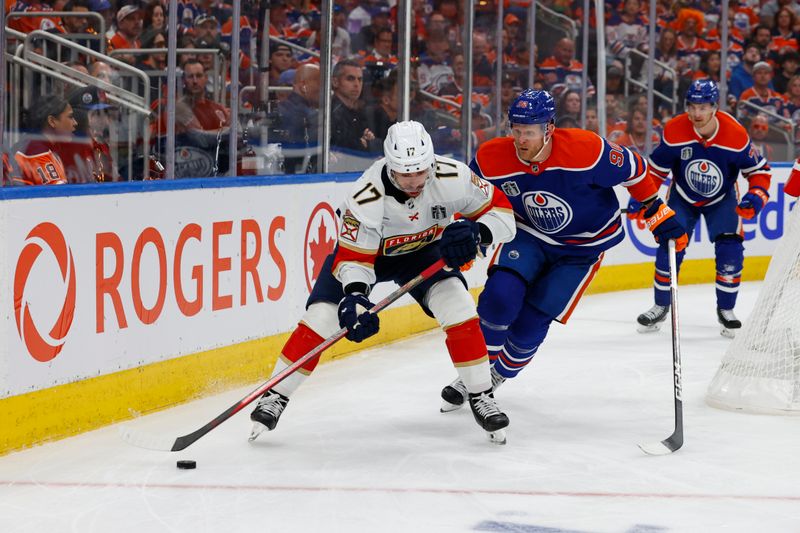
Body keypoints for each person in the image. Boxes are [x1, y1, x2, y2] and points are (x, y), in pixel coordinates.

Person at [249, 121, 517, 443]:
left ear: (431, 162)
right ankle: (275, 395)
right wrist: (356, 296)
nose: (415, 181)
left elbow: (503, 213)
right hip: (369, 256)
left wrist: (480, 232)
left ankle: (480, 395)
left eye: (420, 171)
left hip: (425, 252)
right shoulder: (365, 197)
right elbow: (354, 260)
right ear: (389, 165)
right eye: (405, 174)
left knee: (457, 302)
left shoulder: (453, 176)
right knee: (321, 318)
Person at [437, 89, 686, 410]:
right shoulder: (491, 157)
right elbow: (472, 195)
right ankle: (476, 378)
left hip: (582, 247)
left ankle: (497, 375)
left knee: (531, 322)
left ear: (549, 128)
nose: (520, 139)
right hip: (526, 234)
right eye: (515, 130)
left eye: (528, 132)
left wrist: (655, 210)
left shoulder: (587, 150)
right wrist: (464, 232)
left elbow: (635, 170)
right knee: (499, 299)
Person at [636, 80, 772, 337]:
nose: (697, 113)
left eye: (704, 107)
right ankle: (660, 305)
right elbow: (654, 170)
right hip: (682, 196)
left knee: (730, 248)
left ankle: (727, 310)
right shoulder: (675, 130)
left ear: (715, 107)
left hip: (722, 198)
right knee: (669, 245)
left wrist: (756, 197)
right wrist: (642, 199)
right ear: (686, 107)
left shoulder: (735, 134)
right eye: (692, 106)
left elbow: (759, 171)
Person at [12, 95, 73, 186]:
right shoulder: (36, 151)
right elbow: (59, 197)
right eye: (70, 117)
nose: (75, 123)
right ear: (52, 121)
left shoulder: (38, 146)